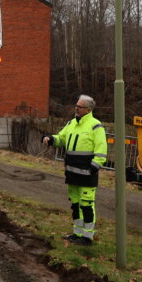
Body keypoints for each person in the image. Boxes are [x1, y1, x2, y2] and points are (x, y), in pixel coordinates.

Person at [42, 95, 107, 245]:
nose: (76, 109)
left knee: (86, 205)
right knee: (76, 205)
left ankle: (87, 237)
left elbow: (101, 149)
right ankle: (77, 234)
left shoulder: (95, 126)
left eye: (80, 107)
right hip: (72, 173)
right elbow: (61, 138)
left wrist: (94, 167)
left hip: (87, 174)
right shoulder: (71, 123)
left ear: (88, 109)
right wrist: (50, 139)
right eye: (76, 106)